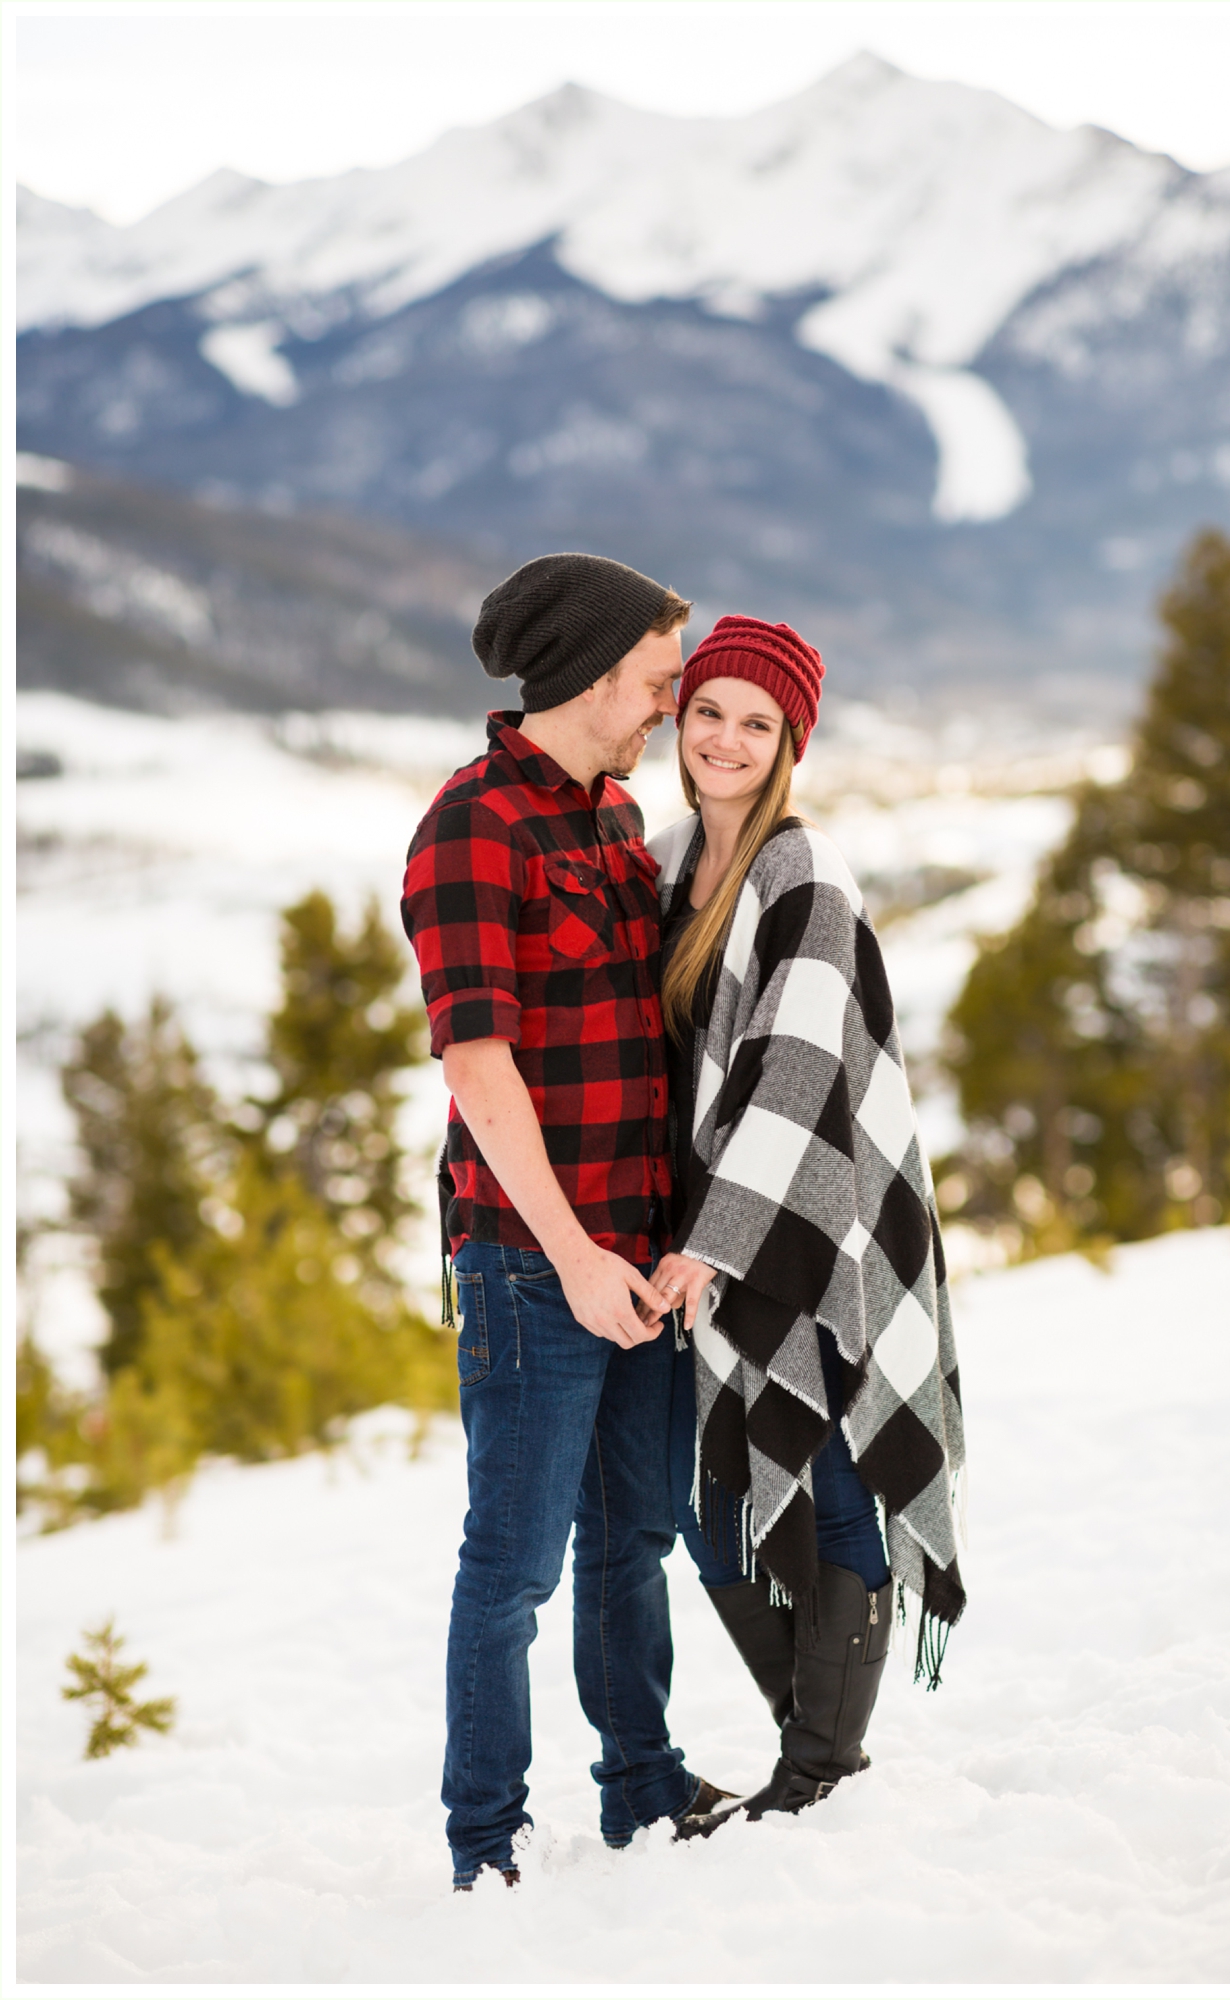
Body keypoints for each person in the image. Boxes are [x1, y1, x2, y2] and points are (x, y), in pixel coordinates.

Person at [401, 552, 733, 1890]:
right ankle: (486, 1846)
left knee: (633, 1538)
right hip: (532, 1267)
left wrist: (661, 1242)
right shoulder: (470, 828)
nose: (672, 701)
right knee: (514, 1568)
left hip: (637, 1253)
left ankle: (641, 1787)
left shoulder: (614, 820)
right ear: (595, 672)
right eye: (659, 678)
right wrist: (572, 1256)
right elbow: (477, 1070)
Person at [644, 617, 967, 1834]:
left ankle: (820, 1770)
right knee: (711, 1519)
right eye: (708, 710)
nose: (725, 738)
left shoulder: (804, 874)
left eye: (756, 722)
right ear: (680, 723)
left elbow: (792, 1071)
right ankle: (814, 1751)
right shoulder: (674, 860)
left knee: (830, 1485)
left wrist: (713, 1242)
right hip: (714, 1230)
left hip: (814, 1228)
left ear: (790, 745)